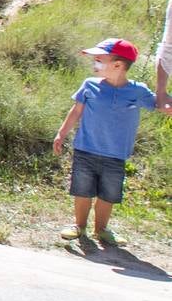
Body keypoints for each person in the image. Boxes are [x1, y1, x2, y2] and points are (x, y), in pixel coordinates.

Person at [52, 38, 165, 245]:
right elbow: (76, 110)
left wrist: (165, 100)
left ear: (118, 65)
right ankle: (79, 226)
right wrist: (61, 133)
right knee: (82, 190)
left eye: (99, 60)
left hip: (116, 154)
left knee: (108, 194)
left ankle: (102, 230)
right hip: (86, 149)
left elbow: (159, 104)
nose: (94, 64)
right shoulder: (89, 85)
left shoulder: (137, 91)